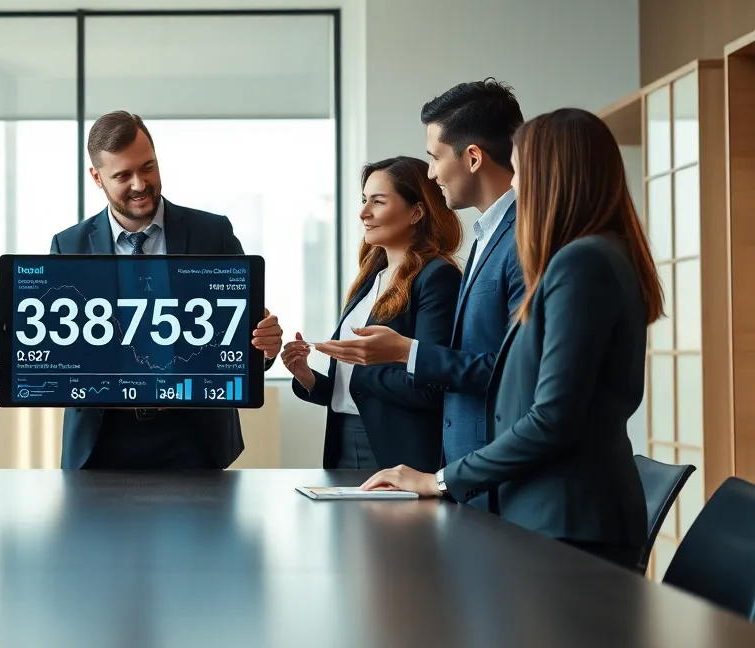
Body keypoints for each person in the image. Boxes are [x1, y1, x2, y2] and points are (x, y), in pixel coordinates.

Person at [362, 108, 660, 570]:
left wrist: (439, 480)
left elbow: (552, 417)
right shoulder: (590, 256)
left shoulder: (583, 263)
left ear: (552, 177)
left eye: (520, 171)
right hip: (551, 515)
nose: (515, 186)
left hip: (567, 520)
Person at [0, 111, 284, 470]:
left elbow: (241, 336)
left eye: (148, 167)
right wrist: (21, 365)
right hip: (102, 439)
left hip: (194, 436)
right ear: (97, 178)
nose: (140, 184)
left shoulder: (212, 232)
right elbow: (63, 347)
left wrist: (264, 348)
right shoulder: (69, 244)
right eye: (123, 175)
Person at [312, 80, 525, 480]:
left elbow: (509, 372)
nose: (432, 172)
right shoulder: (485, 238)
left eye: (435, 157)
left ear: (473, 157)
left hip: (447, 461)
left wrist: (397, 354)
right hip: (452, 465)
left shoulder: (512, 243)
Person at [280, 157, 461, 472]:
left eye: (378, 201)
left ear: (416, 212)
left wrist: (364, 363)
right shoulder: (370, 278)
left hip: (398, 453)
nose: (363, 213)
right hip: (344, 443)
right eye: (364, 200)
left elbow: (434, 383)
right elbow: (353, 387)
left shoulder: (436, 277)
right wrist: (307, 377)